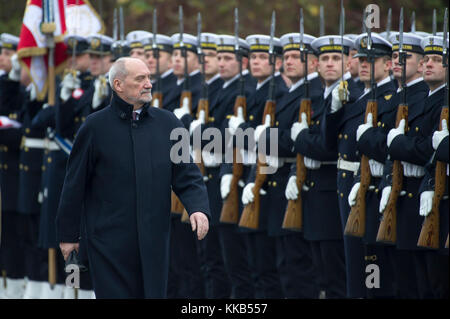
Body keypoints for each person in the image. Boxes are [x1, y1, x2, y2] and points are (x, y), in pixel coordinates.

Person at [56, 57, 210, 298]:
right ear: (118, 85)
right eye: (140, 79)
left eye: (149, 77)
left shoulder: (169, 123)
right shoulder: (94, 127)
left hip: (154, 240)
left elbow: (187, 174)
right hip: (108, 243)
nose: (148, 84)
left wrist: (198, 208)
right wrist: (68, 236)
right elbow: (74, 185)